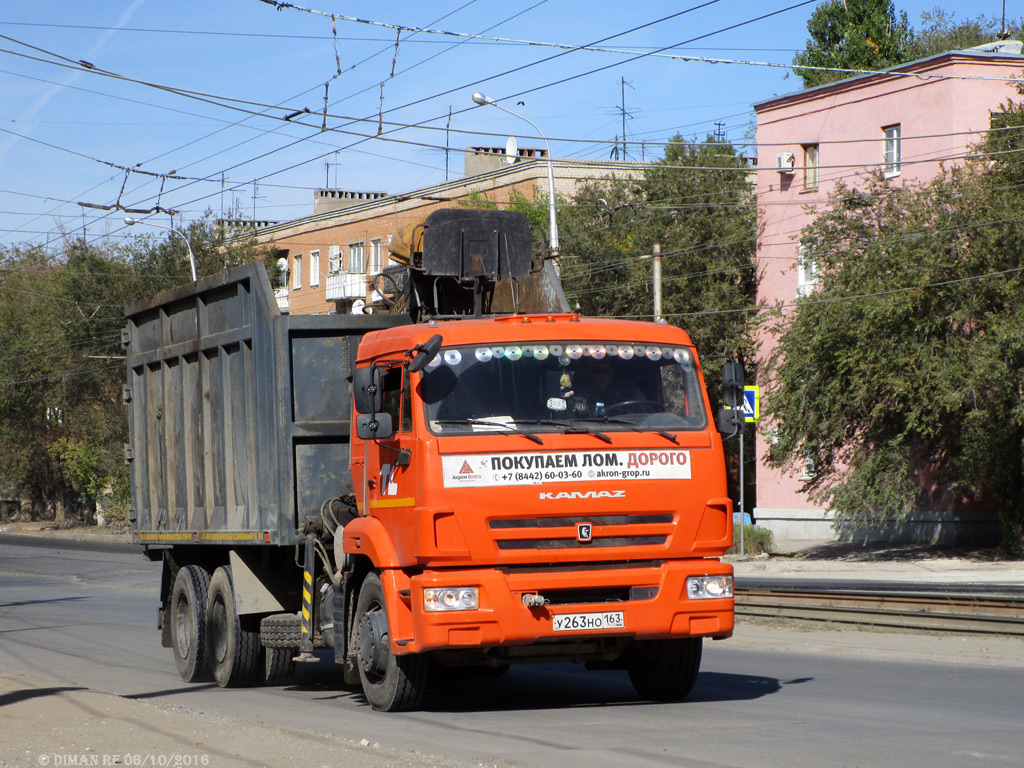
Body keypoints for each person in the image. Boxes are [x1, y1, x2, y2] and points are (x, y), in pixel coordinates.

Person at [571, 358, 643, 417]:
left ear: (612, 372)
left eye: (607, 371)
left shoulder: (629, 392)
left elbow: (647, 418)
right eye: (598, 371)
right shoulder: (579, 396)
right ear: (590, 373)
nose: (603, 375)